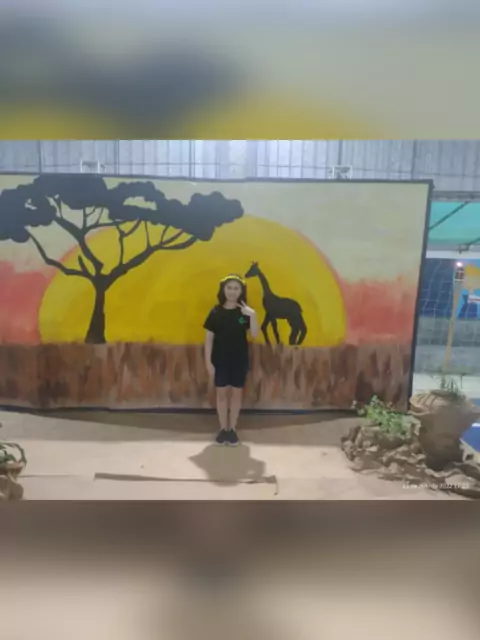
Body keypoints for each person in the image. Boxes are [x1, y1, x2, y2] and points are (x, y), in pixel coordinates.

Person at [203, 274, 259, 446]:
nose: (232, 291)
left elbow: (254, 334)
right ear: (223, 290)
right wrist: (208, 362)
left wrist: (253, 315)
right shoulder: (215, 312)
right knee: (221, 395)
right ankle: (223, 429)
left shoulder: (243, 314)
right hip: (220, 360)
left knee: (236, 395)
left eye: (236, 288)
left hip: (239, 360)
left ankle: (232, 429)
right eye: (229, 288)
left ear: (241, 291)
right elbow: (208, 339)